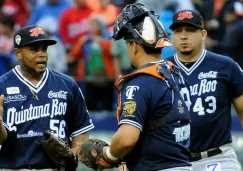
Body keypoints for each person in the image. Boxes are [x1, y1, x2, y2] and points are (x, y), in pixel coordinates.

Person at [100, 3, 192, 171]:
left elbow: (127, 139)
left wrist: (109, 154)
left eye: (127, 43)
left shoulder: (140, 82)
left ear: (134, 45)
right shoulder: (175, 73)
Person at [0, 25, 94, 170]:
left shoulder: (67, 84)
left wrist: (74, 154)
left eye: (44, 49)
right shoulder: (3, 86)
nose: (41, 54)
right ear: (18, 53)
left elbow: (80, 128)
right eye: (34, 49)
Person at [167, 9, 243, 171]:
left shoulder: (226, 66)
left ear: (203, 34)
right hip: (173, 160)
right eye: (178, 31)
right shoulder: (159, 71)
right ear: (172, 37)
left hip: (219, 157)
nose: (184, 36)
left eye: (190, 30)